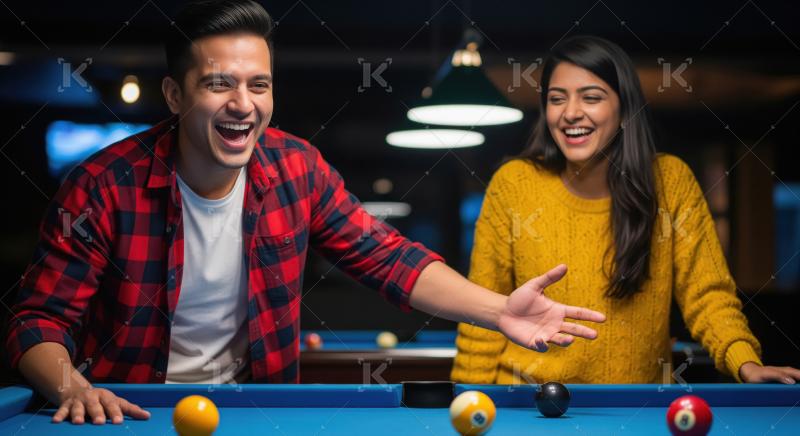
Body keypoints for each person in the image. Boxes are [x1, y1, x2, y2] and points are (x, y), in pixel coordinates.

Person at [4, 1, 606, 426]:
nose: (244, 105)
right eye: (219, 85)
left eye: (259, 85)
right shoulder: (103, 185)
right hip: (128, 414)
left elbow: (390, 260)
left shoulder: (297, 168)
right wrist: (72, 388)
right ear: (175, 95)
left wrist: (499, 309)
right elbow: (36, 322)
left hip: (254, 414)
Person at [451, 35, 800, 386]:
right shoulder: (513, 184)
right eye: (557, 99)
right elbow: (482, 310)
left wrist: (746, 362)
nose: (571, 112)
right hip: (525, 404)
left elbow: (708, 296)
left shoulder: (671, 181)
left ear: (623, 110)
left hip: (637, 408)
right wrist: (465, 399)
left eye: (591, 97)